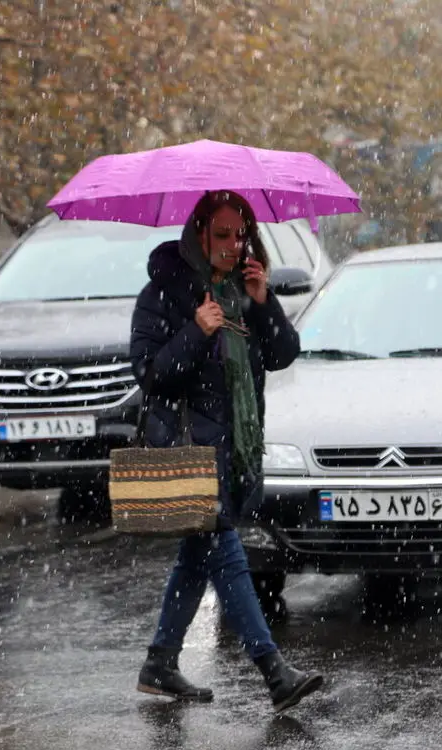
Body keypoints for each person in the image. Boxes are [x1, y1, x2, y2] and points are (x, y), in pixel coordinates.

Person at [130, 190, 324, 713]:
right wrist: (197, 331)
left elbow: (283, 354)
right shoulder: (164, 293)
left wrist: (264, 303)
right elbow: (149, 375)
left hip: (235, 448)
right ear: (198, 234)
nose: (233, 246)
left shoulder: (243, 289)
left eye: (241, 235)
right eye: (222, 235)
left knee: (198, 555)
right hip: (190, 450)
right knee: (226, 552)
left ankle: (160, 663)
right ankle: (274, 671)